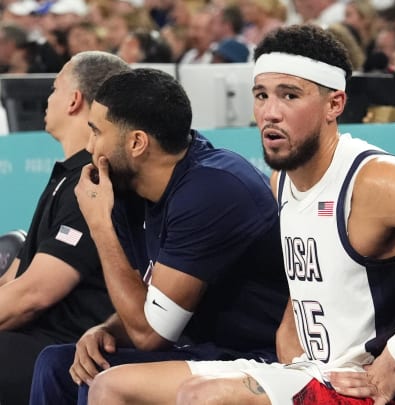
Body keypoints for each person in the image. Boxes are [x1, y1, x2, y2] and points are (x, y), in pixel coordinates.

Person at [83, 24, 395, 405]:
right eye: (261, 95)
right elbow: (308, 284)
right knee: (112, 386)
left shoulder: (376, 181)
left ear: (335, 104)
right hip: (316, 372)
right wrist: (290, 341)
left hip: (390, 386)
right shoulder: (284, 181)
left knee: (204, 396)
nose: (270, 113)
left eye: (289, 95)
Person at [28, 68, 289, 404]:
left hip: (255, 357)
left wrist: (99, 226)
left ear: (137, 142)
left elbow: (151, 335)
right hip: (200, 348)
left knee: (103, 381)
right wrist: (105, 330)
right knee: (58, 364)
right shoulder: (127, 188)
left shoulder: (213, 188)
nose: (90, 146)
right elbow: (146, 302)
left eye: (96, 132)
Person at [0, 51, 126, 405]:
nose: (47, 99)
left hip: (68, 347)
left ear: (73, 100)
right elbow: (17, 277)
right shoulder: (67, 177)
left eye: (54, 89)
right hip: (37, 337)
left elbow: (33, 296)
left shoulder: (91, 181)